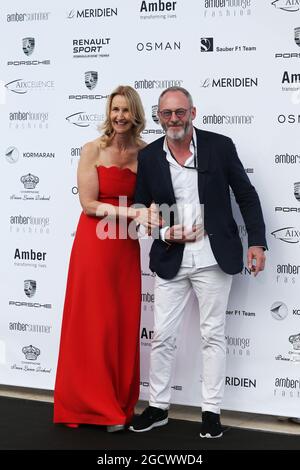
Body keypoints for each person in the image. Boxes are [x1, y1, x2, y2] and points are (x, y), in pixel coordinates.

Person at [129, 86, 267, 438]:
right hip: (171, 257)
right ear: (158, 117)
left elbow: (246, 195)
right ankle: (158, 407)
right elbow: (140, 207)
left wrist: (258, 242)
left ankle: (211, 411)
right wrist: (163, 234)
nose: (173, 119)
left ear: (193, 112)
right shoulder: (148, 158)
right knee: (162, 337)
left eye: (180, 112)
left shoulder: (220, 146)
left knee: (213, 335)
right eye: (166, 113)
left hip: (213, 257)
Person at [53, 85, 160, 432]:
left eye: (126, 110)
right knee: (91, 322)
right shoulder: (91, 150)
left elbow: (151, 201)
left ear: (136, 114)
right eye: (114, 110)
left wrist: (154, 215)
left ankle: (114, 403)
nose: (119, 117)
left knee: (119, 324)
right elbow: (88, 204)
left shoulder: (147, 154)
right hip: (94, 246)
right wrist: (134, 215)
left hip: (124, 247)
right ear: (108, 113)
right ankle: (85, 406)